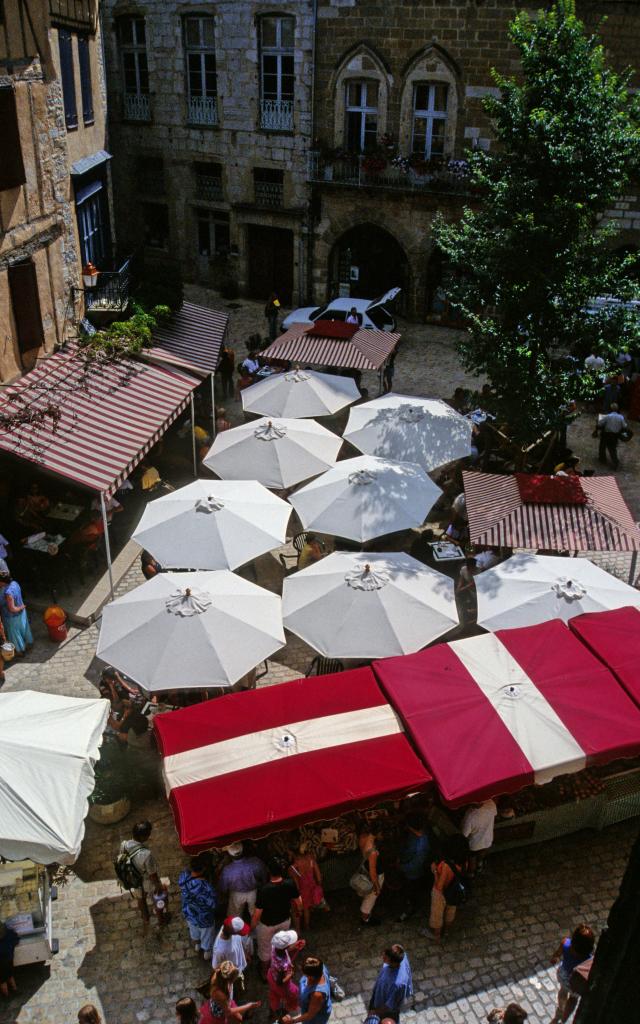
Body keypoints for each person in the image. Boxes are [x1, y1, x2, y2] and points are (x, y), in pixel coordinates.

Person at [251, 857, 302, 979]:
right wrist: (298, 913)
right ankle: (282, 967)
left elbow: (257, 914)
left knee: (265, 950)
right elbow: (299, 902)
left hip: (266, 925)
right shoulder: (290, 883)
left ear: (269, 871)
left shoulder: (264, 890)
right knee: (282, 945)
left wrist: (251, 927)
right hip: (284, 921)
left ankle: (264, 974)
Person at [119, 820, 167, 932]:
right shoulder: (146, 854)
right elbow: (152, 874)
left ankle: (146, 918)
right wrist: (158, 886)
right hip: (146, 881)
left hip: (132, 879)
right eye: (149, 833)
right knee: (157, 899)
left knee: (141, 899)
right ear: (143, 836)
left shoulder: (124, 844)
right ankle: (161, 921)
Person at [426, 835, 469, 943]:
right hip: (455, 893)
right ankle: (446, 931)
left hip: (442, 894)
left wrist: (434, 871)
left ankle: (436, 935)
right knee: (451, 911)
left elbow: (439, 886)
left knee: (437, 914)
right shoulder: (464, 862)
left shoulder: (446, 865)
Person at [550, 924, 595, 1024]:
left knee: (562, 991)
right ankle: (564, 1019)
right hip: (576, 981)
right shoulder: (589, 959)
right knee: (573, 999)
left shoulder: (565, 943)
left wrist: (555, 959)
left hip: (563, 975)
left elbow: (556, 955)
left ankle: (561, 1009)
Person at [179, 854, 218, 959]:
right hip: (204, 917)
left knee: (194, 930)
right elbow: (213, 905)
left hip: (189, 912)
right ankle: (206, 952)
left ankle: (197, 945)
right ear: (203, 869)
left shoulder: (183, 877)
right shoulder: (207, 887)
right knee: (207, 934)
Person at [217, 842, 268, 917]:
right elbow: (264, 875)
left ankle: (238, 928)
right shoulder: (256, 861)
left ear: (230, 854)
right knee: (255, 914)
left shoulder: (227, 870)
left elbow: (223, 887)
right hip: (253, 892)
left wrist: (223, 895)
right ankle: (256, 927)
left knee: (235, 917)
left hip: (236, 894)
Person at [397, 814, 430, 921]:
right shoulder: (422, 834)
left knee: (411, 891)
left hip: (412, 873)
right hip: (415, 867)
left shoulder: (417, 845)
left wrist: (400, 866)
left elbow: (410, 862)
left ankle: (410, 908)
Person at [289, 843, 329, 931]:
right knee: (307, 908)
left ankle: (298, 929)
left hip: (301, 890)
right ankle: (307, 926)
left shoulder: (293, 868)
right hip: (311, 888)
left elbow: (296, 883)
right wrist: (317, 885)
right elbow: (319, 877)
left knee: (297, 910)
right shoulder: (311, 861)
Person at [368, 945, 413, 1022]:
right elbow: (398, 947)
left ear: (394, 963)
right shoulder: (401, 955)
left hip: (385, 1010)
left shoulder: (398, 984)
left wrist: (375, 1012)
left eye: (385, 958)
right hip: (378, 996)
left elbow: (389, 1006)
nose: (383, 957)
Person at [267, 929, 305, 1019]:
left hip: (271, 975)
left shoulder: (274, 947)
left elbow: (285, 949)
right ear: (286, 947)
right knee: (293, 994)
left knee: (274, 995)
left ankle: (273, 1009)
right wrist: (290, 975)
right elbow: (280, 982)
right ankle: (289, 1008)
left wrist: (295, 946)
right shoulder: (283, 964)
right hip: (282, 985)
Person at [282, 955, 332, 1024]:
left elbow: (310, 1015)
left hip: (315, 1018)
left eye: (305, 974)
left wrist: (292, 1021)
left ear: (311, 977)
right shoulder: (320, 967)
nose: (304, 975)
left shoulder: (317, 994)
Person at [357, 825, 385, 926]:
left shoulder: (362, 837)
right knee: (370, 900)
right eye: (382, 834)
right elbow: (373, 873)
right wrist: (377, 887)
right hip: (372, 875)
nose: (383, 836)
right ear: (377, 834)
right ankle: (365, 919)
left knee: (366, 896)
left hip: (364, 870)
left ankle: (365, 916)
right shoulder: (372, 851)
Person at [461, 798, 497, 875]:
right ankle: (479, 865)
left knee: (472, 858)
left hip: (474, 844)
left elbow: (464, 834)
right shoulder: (491, 803)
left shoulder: (470, 816)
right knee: (482, 853)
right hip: (487, 840)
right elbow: (494, 814)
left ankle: (471, 873)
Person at [0, 572, 33, 656]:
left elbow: (12, 609)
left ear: (2, 582)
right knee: (24, 628)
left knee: (14, 634)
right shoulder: (15, 583)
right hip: (22, 613)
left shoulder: (8, 593)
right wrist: (22, 607)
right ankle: (29, 643)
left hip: (12, 617)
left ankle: (20, 651)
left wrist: (20, 607)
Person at [598, 402, 626, 469]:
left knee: (602, 446)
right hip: (615, 436)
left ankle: (602, 459)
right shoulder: (621, 417)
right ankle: (615, 462)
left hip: (606, 434)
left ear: (610, 409)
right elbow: (624, 426)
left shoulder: (607, 416)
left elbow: (600, 424)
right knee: (612, 449)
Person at [455, 557, 477, 626]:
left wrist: (463, 588)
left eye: (471, 567)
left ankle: (473, 618)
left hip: (476, 591)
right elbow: (461, 579)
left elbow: (473, 583)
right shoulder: (464, 569)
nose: (469, 568)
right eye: (468, 566)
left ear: (474, 566)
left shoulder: (478, 571)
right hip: (468, 590)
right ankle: (466, 612)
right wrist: (458, 588)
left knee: (475, 604)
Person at [0, 921, 19, 998]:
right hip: (9, 960)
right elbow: (16, 939)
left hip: (1, 965)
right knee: (10, 975)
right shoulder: (9, 935)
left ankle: (6, 995)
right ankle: (15, 989)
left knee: (2, 981)